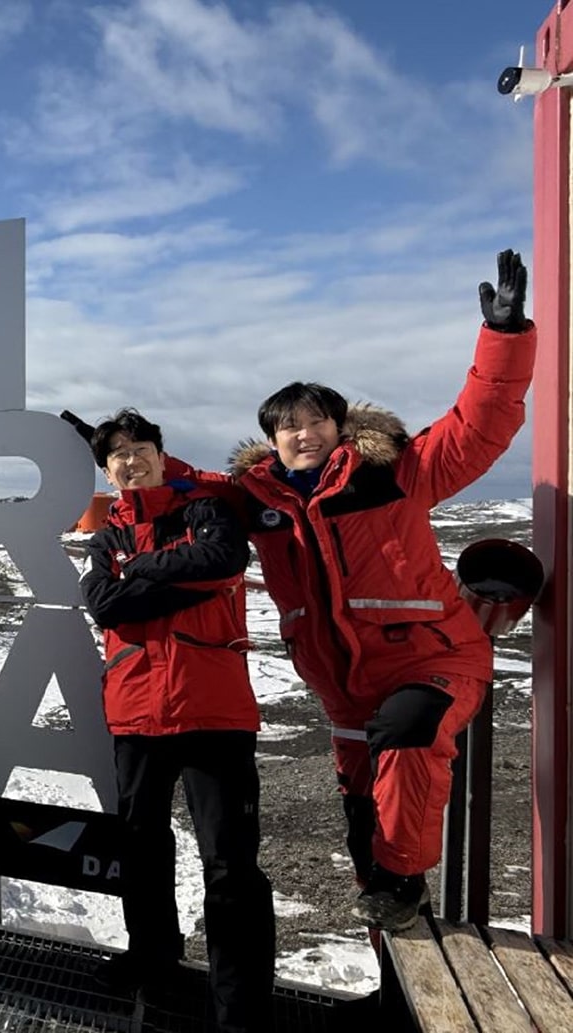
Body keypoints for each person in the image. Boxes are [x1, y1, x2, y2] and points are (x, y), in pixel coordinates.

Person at [229, 250, 537, 933]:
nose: (301, 434)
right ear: (272, 441)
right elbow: (183, 489)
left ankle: (403, 879)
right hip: (342, 684)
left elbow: (478, 427)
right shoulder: (259, 500)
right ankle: (392, 958)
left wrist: (504, 339)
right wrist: (113, 451)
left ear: (339, 427)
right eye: (287, 426)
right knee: (362, 817)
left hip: (433, 660)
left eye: (314, 421)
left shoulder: (393, 472)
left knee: (407, 734)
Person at [76, 408, 274, 1033]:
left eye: (140, 449)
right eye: (117, 456)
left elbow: (221, 562)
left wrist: (140, 572)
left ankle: (239, 1007)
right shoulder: (108, 533)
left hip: (213, 709)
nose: (130, 462)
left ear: (161, 456)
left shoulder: (203, 511)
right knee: (141, 849)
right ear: (107, 472)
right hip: (136, 712)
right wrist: (167, 579)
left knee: (230, 864)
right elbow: (104, 604)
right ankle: (153, 957)